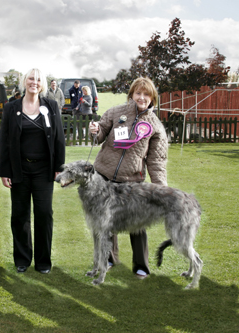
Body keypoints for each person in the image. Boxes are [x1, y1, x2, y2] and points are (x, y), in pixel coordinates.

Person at [88, 77, 168, 279]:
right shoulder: (116, 112)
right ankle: (108, 258)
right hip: (104, 177)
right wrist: (94, 131)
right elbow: (100, 136)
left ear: (152, 98)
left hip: (133, 181)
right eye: (138, 93)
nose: (142, 97)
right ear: (132, 94)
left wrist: (161, 190)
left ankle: (141, 265)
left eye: (146, 94)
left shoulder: (155, 126)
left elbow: (156, 161)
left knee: (137, 225)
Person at [0, 68, 66, 274]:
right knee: (20, 215)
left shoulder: (51, 106)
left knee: (44, 214)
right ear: (24, 82)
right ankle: (22, 259)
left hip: (44, 170)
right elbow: (5, 142)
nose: (34, 82)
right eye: (30, 78)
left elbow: (59, 139)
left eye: (38, 79)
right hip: (19, 170)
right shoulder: (11, 108)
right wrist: (4, 171)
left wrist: (59, 168)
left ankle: (43, 262)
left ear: (42, 84)